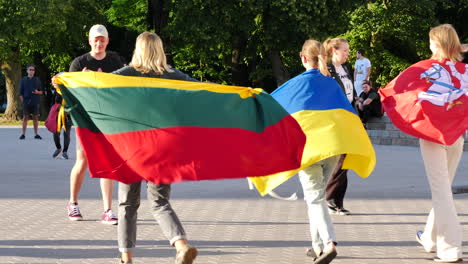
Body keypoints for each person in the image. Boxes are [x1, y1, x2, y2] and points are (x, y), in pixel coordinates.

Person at [112, 32, 198, 264]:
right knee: (160, 202)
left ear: (138, 49)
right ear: (160, 50)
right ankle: (181, 246)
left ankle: (126, 258)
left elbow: (97, 85)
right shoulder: (174, 75)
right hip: (165, 145)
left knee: (128, 204)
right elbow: (203, 91)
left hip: (133, 146)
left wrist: (66, 80)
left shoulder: (126, 74)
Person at [415, 24, 465, 263]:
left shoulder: (425, 70)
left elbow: (408, 94)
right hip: (456, 136)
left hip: (433, 135)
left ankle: (451, 249)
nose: (429, 45)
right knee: (443, 189)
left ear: (436, 44)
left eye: (431, 41)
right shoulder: (464, 71)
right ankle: (430, 239)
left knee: (442, 191)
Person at [66, 24, 125, 224]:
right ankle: (73, 203)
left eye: (102, 40)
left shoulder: (116, 61)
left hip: (108, 119)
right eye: (95, 39)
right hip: (85, 119)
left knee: (107, 163)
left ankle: (108, 210)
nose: (99, 43)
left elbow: (125, 87)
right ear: (90, 41)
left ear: (107, 41)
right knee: (82, 161)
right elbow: (70, 91)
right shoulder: (79, 62)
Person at [292, 39, 340, 264]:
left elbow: (281, 110)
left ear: (303, 58)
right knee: (317, 197)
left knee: (315, 198)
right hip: (332, 148)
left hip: (309, 149)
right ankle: (317, 245)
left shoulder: (298, 84)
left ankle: (329, 243)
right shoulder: (332, 83)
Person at [323, 38, 355, 215]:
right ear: (334, 51)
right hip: (334, 121)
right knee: (340, 159)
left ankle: (337, 201)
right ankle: (329, 198)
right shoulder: (326, 70)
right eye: (345, 50)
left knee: (346, 160)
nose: (348, 53)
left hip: (349, 118)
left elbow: (350, 91)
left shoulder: (345, 69)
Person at [19, 64, 43, 140]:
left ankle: (36, 134)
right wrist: (23, 101)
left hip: (35, 102)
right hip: (26, 102)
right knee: (25, 117)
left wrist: (37, 92)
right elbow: (20, 92)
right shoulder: (23, 80)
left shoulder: (37, 80)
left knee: (35, 117)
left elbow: (41, 91)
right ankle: (23, 134)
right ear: (27, 71)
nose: (31, 71)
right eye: (30, 69)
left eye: (33, 70)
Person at [51, 89, 72, 159]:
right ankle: (58, 148)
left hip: (68, 115)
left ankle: (65, 151)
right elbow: (54, 102)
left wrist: (68, 111)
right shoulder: (58, 89)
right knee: (55, 133)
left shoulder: (71, 89)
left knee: (67, 133)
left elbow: (74, 103)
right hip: (58, 114)